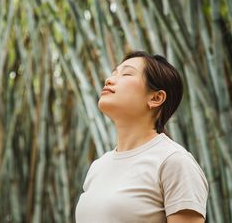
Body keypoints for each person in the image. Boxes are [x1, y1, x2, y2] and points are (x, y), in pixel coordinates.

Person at [75, 51, 209, 223]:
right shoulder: (98, 167)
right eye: (114, 72)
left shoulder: (173, 162)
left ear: (156, 98)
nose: (109, 80)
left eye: (127, 74)